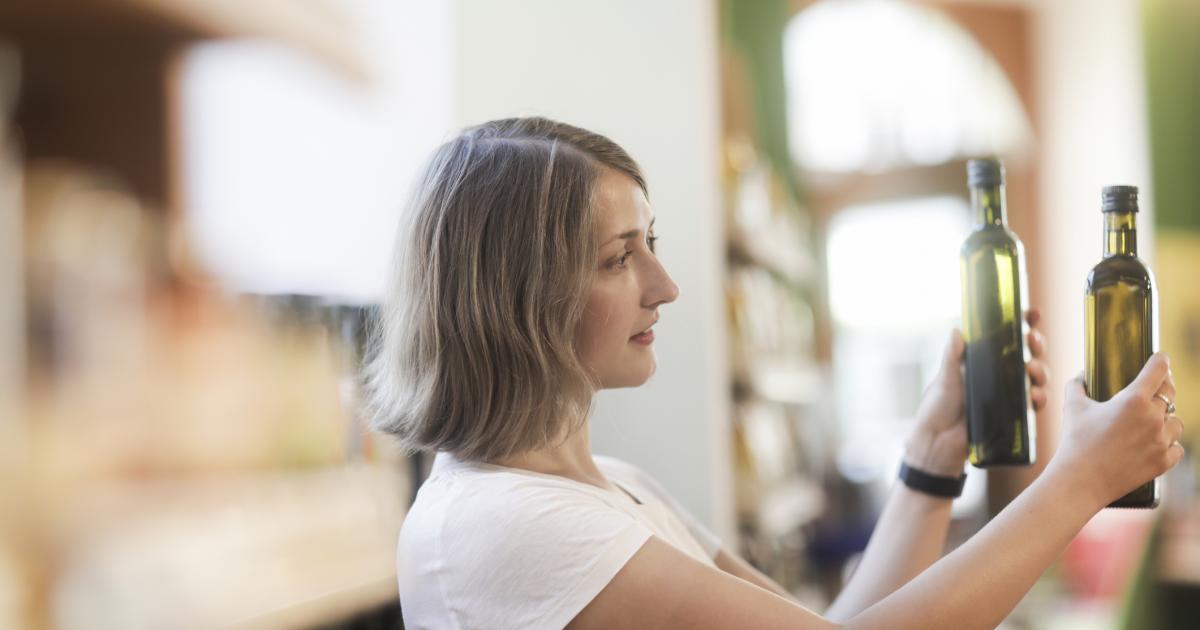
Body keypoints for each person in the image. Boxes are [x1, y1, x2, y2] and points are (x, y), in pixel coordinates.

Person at [366, 117, 1184, 629]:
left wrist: (930, 463)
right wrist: (1080, 481)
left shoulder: (614, 488)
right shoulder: (507, 523)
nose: (666, 286)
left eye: (653, 244)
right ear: (517, 295)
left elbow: (831, 625)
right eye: (622, 257)